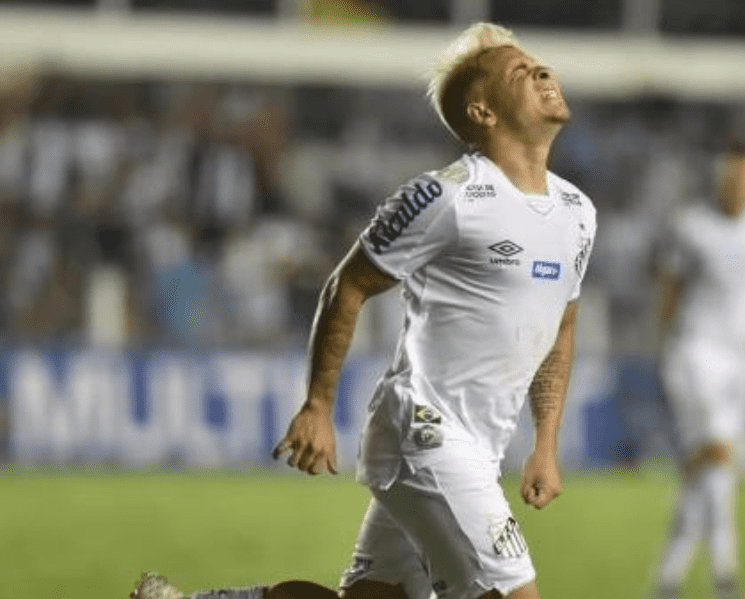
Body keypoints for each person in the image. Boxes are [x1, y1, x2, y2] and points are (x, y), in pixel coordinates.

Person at [131, 21, 596, 599]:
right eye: (519, 72)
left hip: (479, 445)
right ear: (483, 112)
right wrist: (317, 405)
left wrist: (545, 443)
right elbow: (347, 284)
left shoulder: (578, 212)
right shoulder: (447, 196)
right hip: (425, 431)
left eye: (538, 64)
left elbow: (561, 325)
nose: (542, 71)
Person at [653, 142, 745, 599]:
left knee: (713, 467)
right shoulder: (691, 225)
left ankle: (668, 578)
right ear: (719, 181)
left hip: (744, 361)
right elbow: (670, 290)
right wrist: (664, 352)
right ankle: (725, 576)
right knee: (718, 453)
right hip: (695, 350)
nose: (740, 186)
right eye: (733, 178)